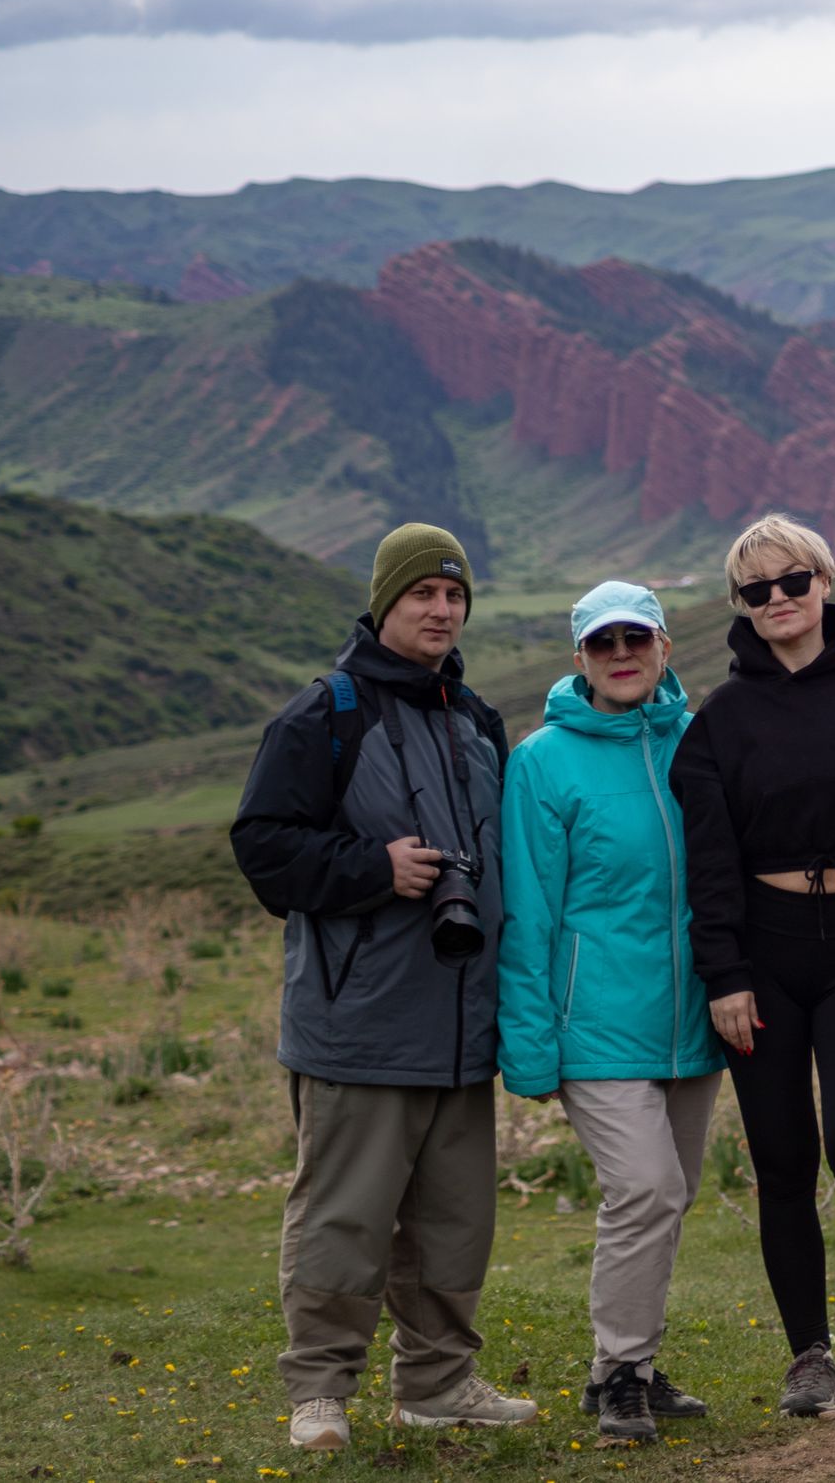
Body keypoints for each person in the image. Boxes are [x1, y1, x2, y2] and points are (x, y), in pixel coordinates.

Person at [230, 522, 538, 1453]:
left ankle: (438, 1384)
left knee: (453, 1222)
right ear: (384, 602)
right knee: (344, 1214)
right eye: (422, 595)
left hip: (458, 1023)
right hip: (359, 1021)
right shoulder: (326, 712)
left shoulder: (475, 719)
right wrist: (374, 868)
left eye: (454, 596)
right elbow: (263, 846)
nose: (441, 610)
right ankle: (319, 1391)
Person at [673, 515, 835, 1419]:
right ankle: (809, 1357)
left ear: (825, 580)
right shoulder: (722, 718)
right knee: (784, 1160)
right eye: (758, 591)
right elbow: (707, 864)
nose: (779, 600)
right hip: (764, 949)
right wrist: (724, 974)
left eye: (794, 581)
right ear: (740, 605)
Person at [497, 581, 725, 1444]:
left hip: (691, 1021)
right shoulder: (542, 760)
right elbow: (529, 912)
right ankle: (626, 1369)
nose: (621, 653)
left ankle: (617, 1370)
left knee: (671, 1195)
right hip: (592, 1025)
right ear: (580, 657)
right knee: (646, 1188)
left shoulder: (698, 743)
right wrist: (529, 1045)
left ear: (665, 645)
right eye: (603, 643)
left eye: (637, 637)